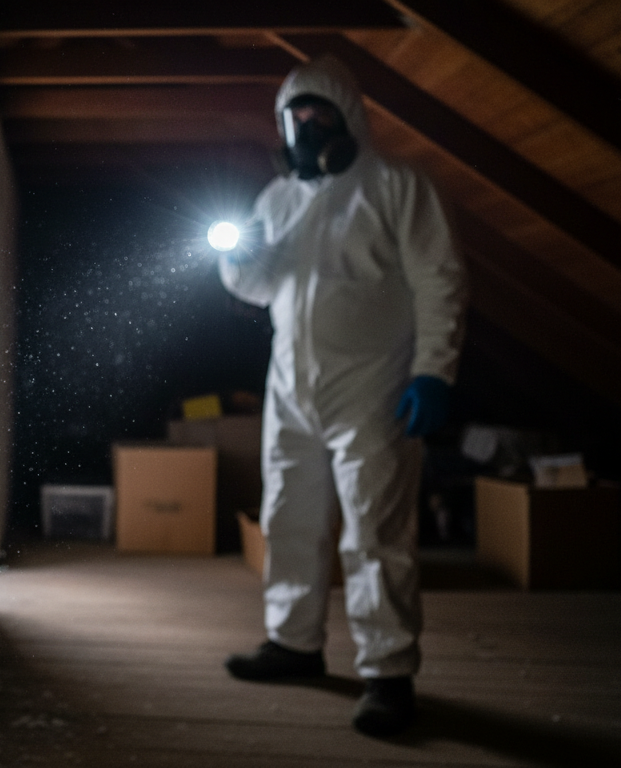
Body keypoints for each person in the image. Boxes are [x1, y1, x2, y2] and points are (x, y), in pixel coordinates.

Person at [218, 55, 467, 737]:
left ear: (348, 118)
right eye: (293, 116)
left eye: (317, 114)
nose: (303, 126)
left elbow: (438, 280)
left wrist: (433, 371)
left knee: (375, 529)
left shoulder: (396, 187)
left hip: (375, 386)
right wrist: (238, 263)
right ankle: (293, 643)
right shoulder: (276, 200)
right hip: (290, 387)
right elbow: (260, 290)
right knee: (289, 517)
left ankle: (388, 672)